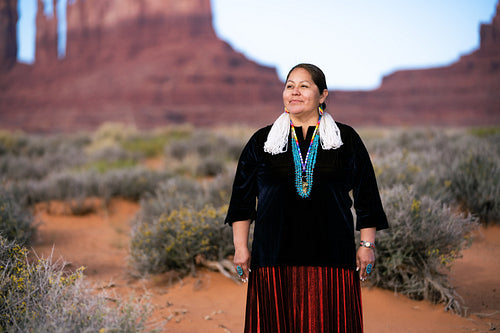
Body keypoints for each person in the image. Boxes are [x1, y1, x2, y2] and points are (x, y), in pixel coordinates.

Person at [225, 63, 389, 332]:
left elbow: (366, 196)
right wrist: (241, 247)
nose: (295, 92)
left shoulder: (344, 140)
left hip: (331, 258)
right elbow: (242, 201)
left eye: (304, 86)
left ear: (322, 95)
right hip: (273, 258)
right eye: (290, 86)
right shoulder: (262, 141)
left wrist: (367, 246)